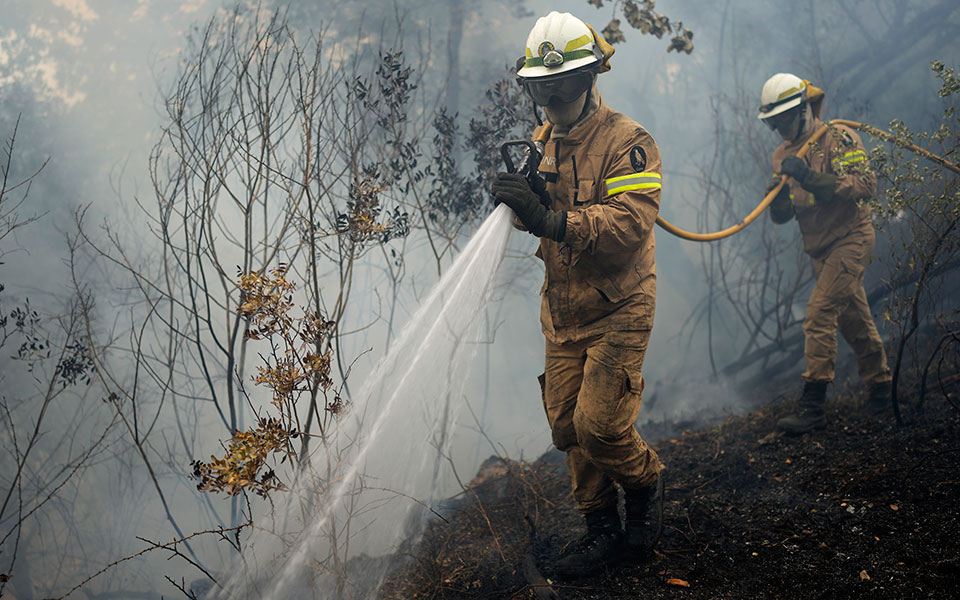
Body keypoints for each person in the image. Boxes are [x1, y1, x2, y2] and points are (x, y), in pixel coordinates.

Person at [491, 11, 664, 577]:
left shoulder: (629, 141)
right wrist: (521, 205)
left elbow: (629, 225)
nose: (551, 100)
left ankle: (645, 483)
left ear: (590, 78)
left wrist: (551, 219)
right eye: (540, 88)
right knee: (567, 428)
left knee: (599, 425)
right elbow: (538, 221)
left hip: (619, 305)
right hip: (563, 310)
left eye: (562, 85)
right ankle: (601, 530)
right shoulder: (543, 145)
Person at [758, 73, 892, 434]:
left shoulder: (837, 136)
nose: (780, 128)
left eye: (785, 118)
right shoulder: (781, 156)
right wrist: (779, 199)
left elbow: (866, 185)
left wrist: (808, 177)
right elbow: (783, 216)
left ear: (803, 109)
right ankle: (882, 388)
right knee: (853, 320)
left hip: (851, 238)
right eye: (773, 122)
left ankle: (813, 405)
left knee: (818, 315)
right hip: (819, 248)